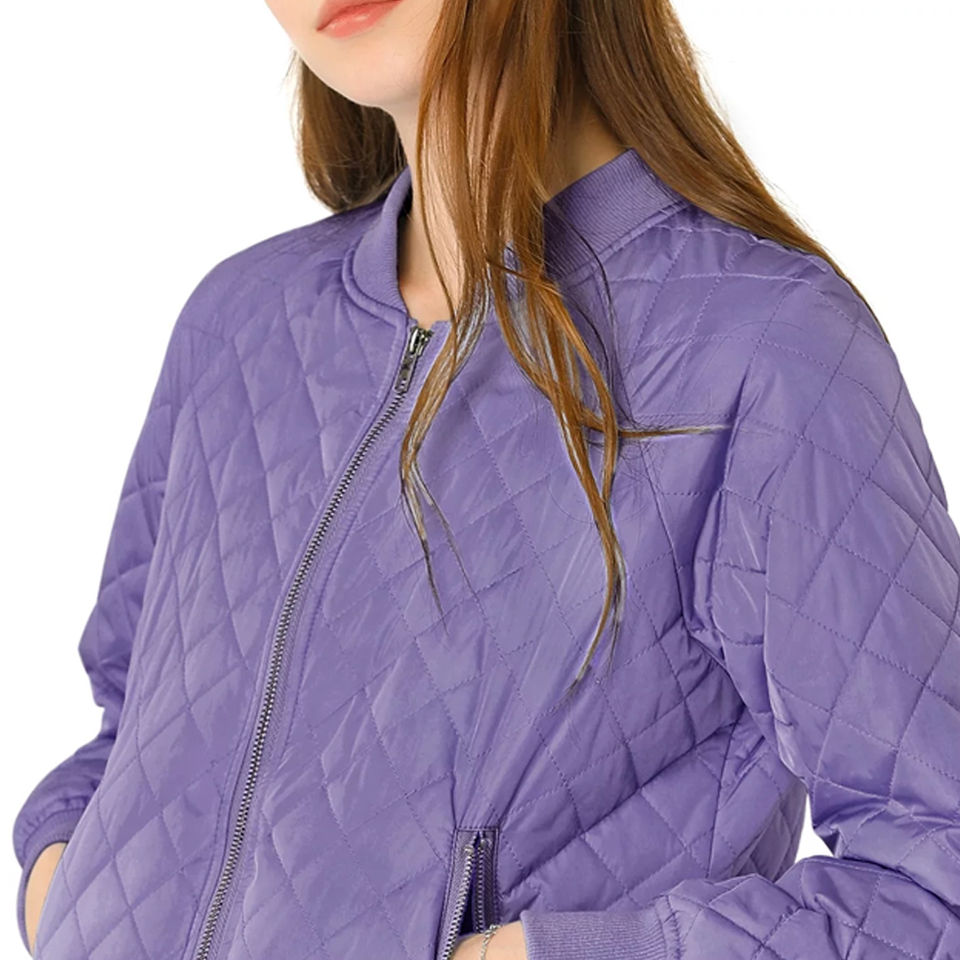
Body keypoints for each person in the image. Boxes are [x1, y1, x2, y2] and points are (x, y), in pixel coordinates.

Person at [13, 0, 960, 957]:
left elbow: (934, 876)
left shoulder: (762, 351)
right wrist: (60, 876)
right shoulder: (241, 322)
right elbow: (131, 723)